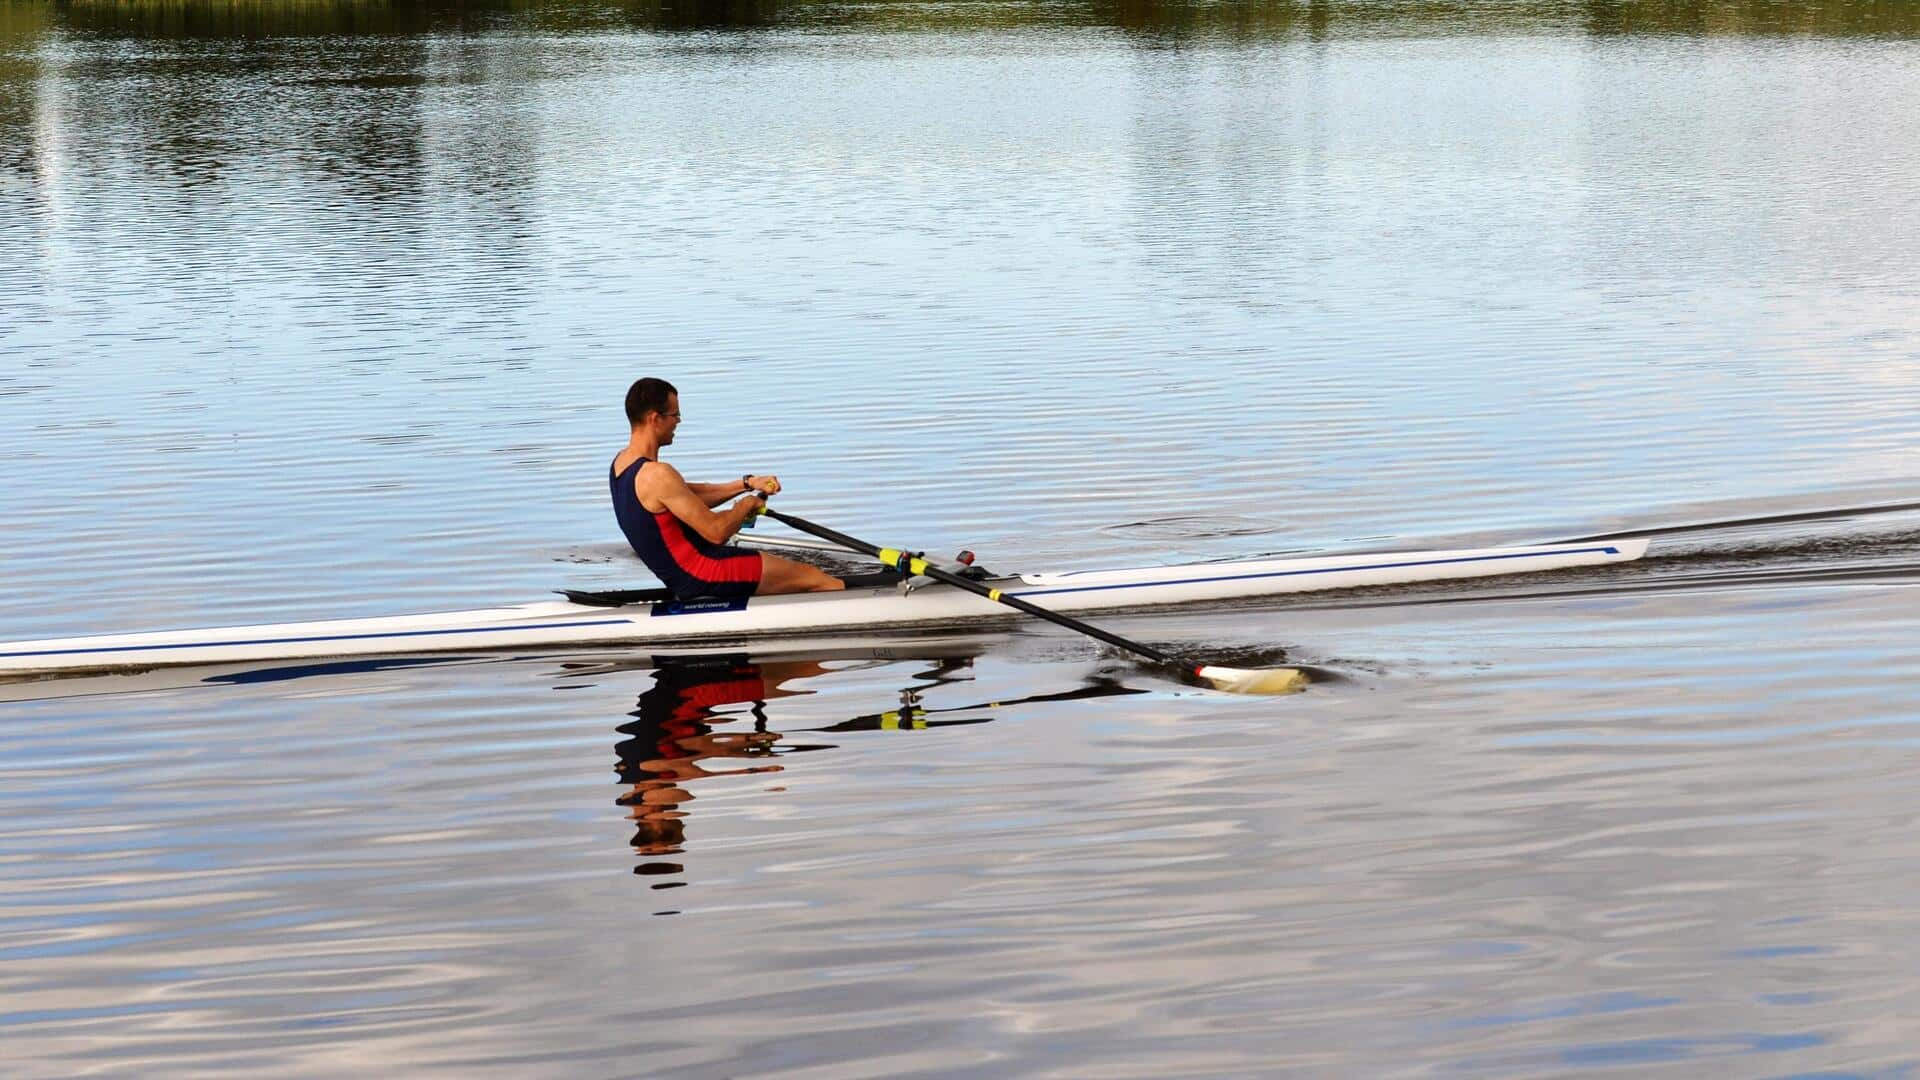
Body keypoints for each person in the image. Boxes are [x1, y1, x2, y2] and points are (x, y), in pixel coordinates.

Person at [611, 377, 845, 599]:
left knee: (794, 577)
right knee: (813, 577)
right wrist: (746, 506)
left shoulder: (622, 465)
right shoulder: (658, 474)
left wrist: (748, 484)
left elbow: (691, 494)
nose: (679, 421)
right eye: (675, 414)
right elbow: (716, 532)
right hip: (704, 572)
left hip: (684, 577)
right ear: (655, 419)